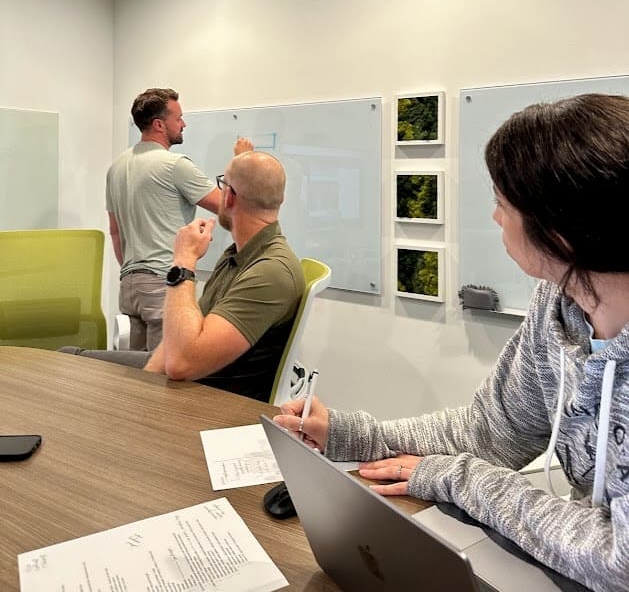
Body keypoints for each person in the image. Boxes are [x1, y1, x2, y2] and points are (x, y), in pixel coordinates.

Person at [275, 93, 629, 592]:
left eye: (504, 204)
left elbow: (620, 559)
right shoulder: (558, 303)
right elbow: (493, 430)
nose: (495, 218)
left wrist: (453, 477)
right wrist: (352, 435)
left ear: (561, 233)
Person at [65, 150, 305, 402]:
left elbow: (182, 363)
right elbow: (180, 338)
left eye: (222, 184)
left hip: (206, 397)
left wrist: (184, 260)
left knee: (71, 371)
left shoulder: (271, 272)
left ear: (230, 197)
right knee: (67, 358)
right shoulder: (238, 255)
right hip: (186, 381)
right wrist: (146, 383)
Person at [106, 87, 251, 350]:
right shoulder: (175, 165)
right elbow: (229, 206)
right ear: (159, 124)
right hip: (163, 284)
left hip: (129, 285)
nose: (183, 124)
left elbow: (115, 232)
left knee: (134, 375)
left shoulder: (116, 168)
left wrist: (136, 268)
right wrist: (243, 161)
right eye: (178, 118)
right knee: (166, 373)